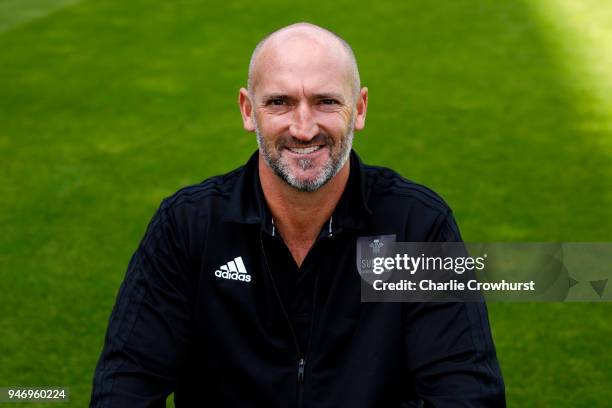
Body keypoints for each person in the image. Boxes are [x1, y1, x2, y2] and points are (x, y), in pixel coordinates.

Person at [90, 22, 505, 407]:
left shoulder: (415, 225)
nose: (303, 128)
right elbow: (127, 383)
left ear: (359, 109)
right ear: (247, 109)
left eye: (326, 101)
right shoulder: (188, 226)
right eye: (280, 103)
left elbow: (465, 392)